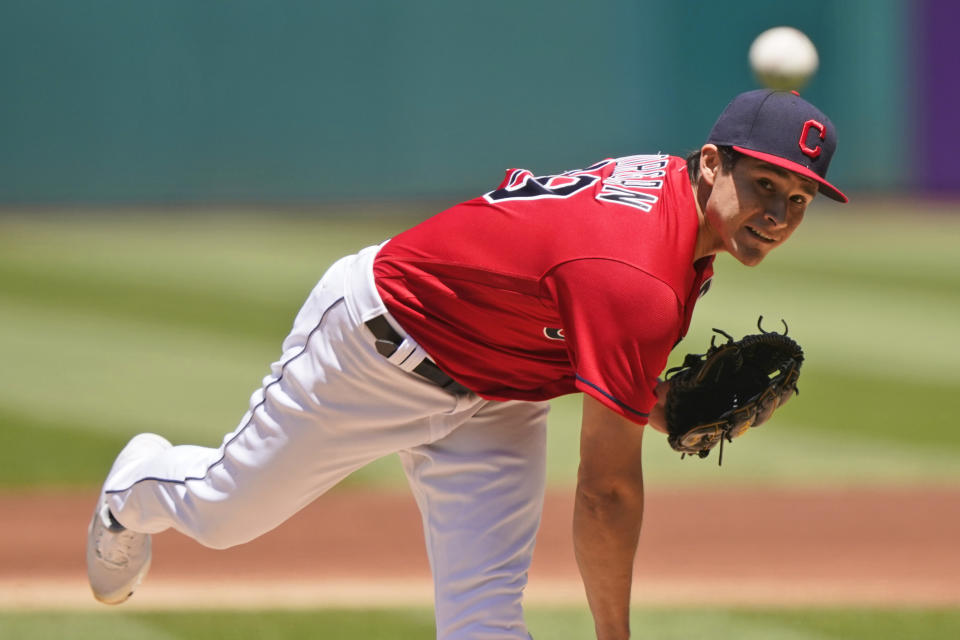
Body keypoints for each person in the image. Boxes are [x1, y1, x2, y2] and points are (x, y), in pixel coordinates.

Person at [86, 89, 846, 639]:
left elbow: (565, 311)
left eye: (800, 199)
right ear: (711, 162)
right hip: (376, 347)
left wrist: (655, 403)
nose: (778, 216)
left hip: (502, 396)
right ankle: (135, 488)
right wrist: (613, 635)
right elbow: (605, 494)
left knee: (483, 624)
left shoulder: (674, 201)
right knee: (226, 513)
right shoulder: (640, 274)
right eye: (764, 187)